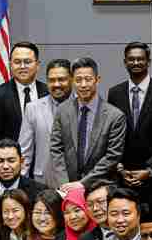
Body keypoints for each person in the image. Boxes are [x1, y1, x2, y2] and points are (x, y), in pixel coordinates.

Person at [107, 42, 152, 206]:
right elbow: (111, 135)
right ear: (125, 62)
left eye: (140, 59)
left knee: (151, 226)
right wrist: (119, 167)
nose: (136, 63)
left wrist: (148, 169)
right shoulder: (115, 93)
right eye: (131, 59)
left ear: (148, 61)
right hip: (122, 175)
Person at [47, 57, 125, 193]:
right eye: (78, 80)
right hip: (67, 188)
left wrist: (83, 183)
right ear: (72, 81)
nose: (83, 85)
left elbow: (112, 157)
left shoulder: (115, 116)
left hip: (99, 187)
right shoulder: (63, 110)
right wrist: (65, 185)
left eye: (88, 79)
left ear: (97, 80)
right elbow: (56, 149)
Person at [0, 41, 48, 159]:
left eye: (27, 62)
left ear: (37, 65)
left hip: (43, 162)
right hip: (10, 164)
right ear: (10, 65)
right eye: (17, 62)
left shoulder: (47, 93)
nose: (22, 66)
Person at [19, 58, 73, 181]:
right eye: (51, 80)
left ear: (72, 79)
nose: (56, 84)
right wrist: (21, 185)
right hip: (43, 181)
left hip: (75, 181)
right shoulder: (33, 108)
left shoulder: (83, 107)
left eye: (61, 79)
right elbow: (24, 153)